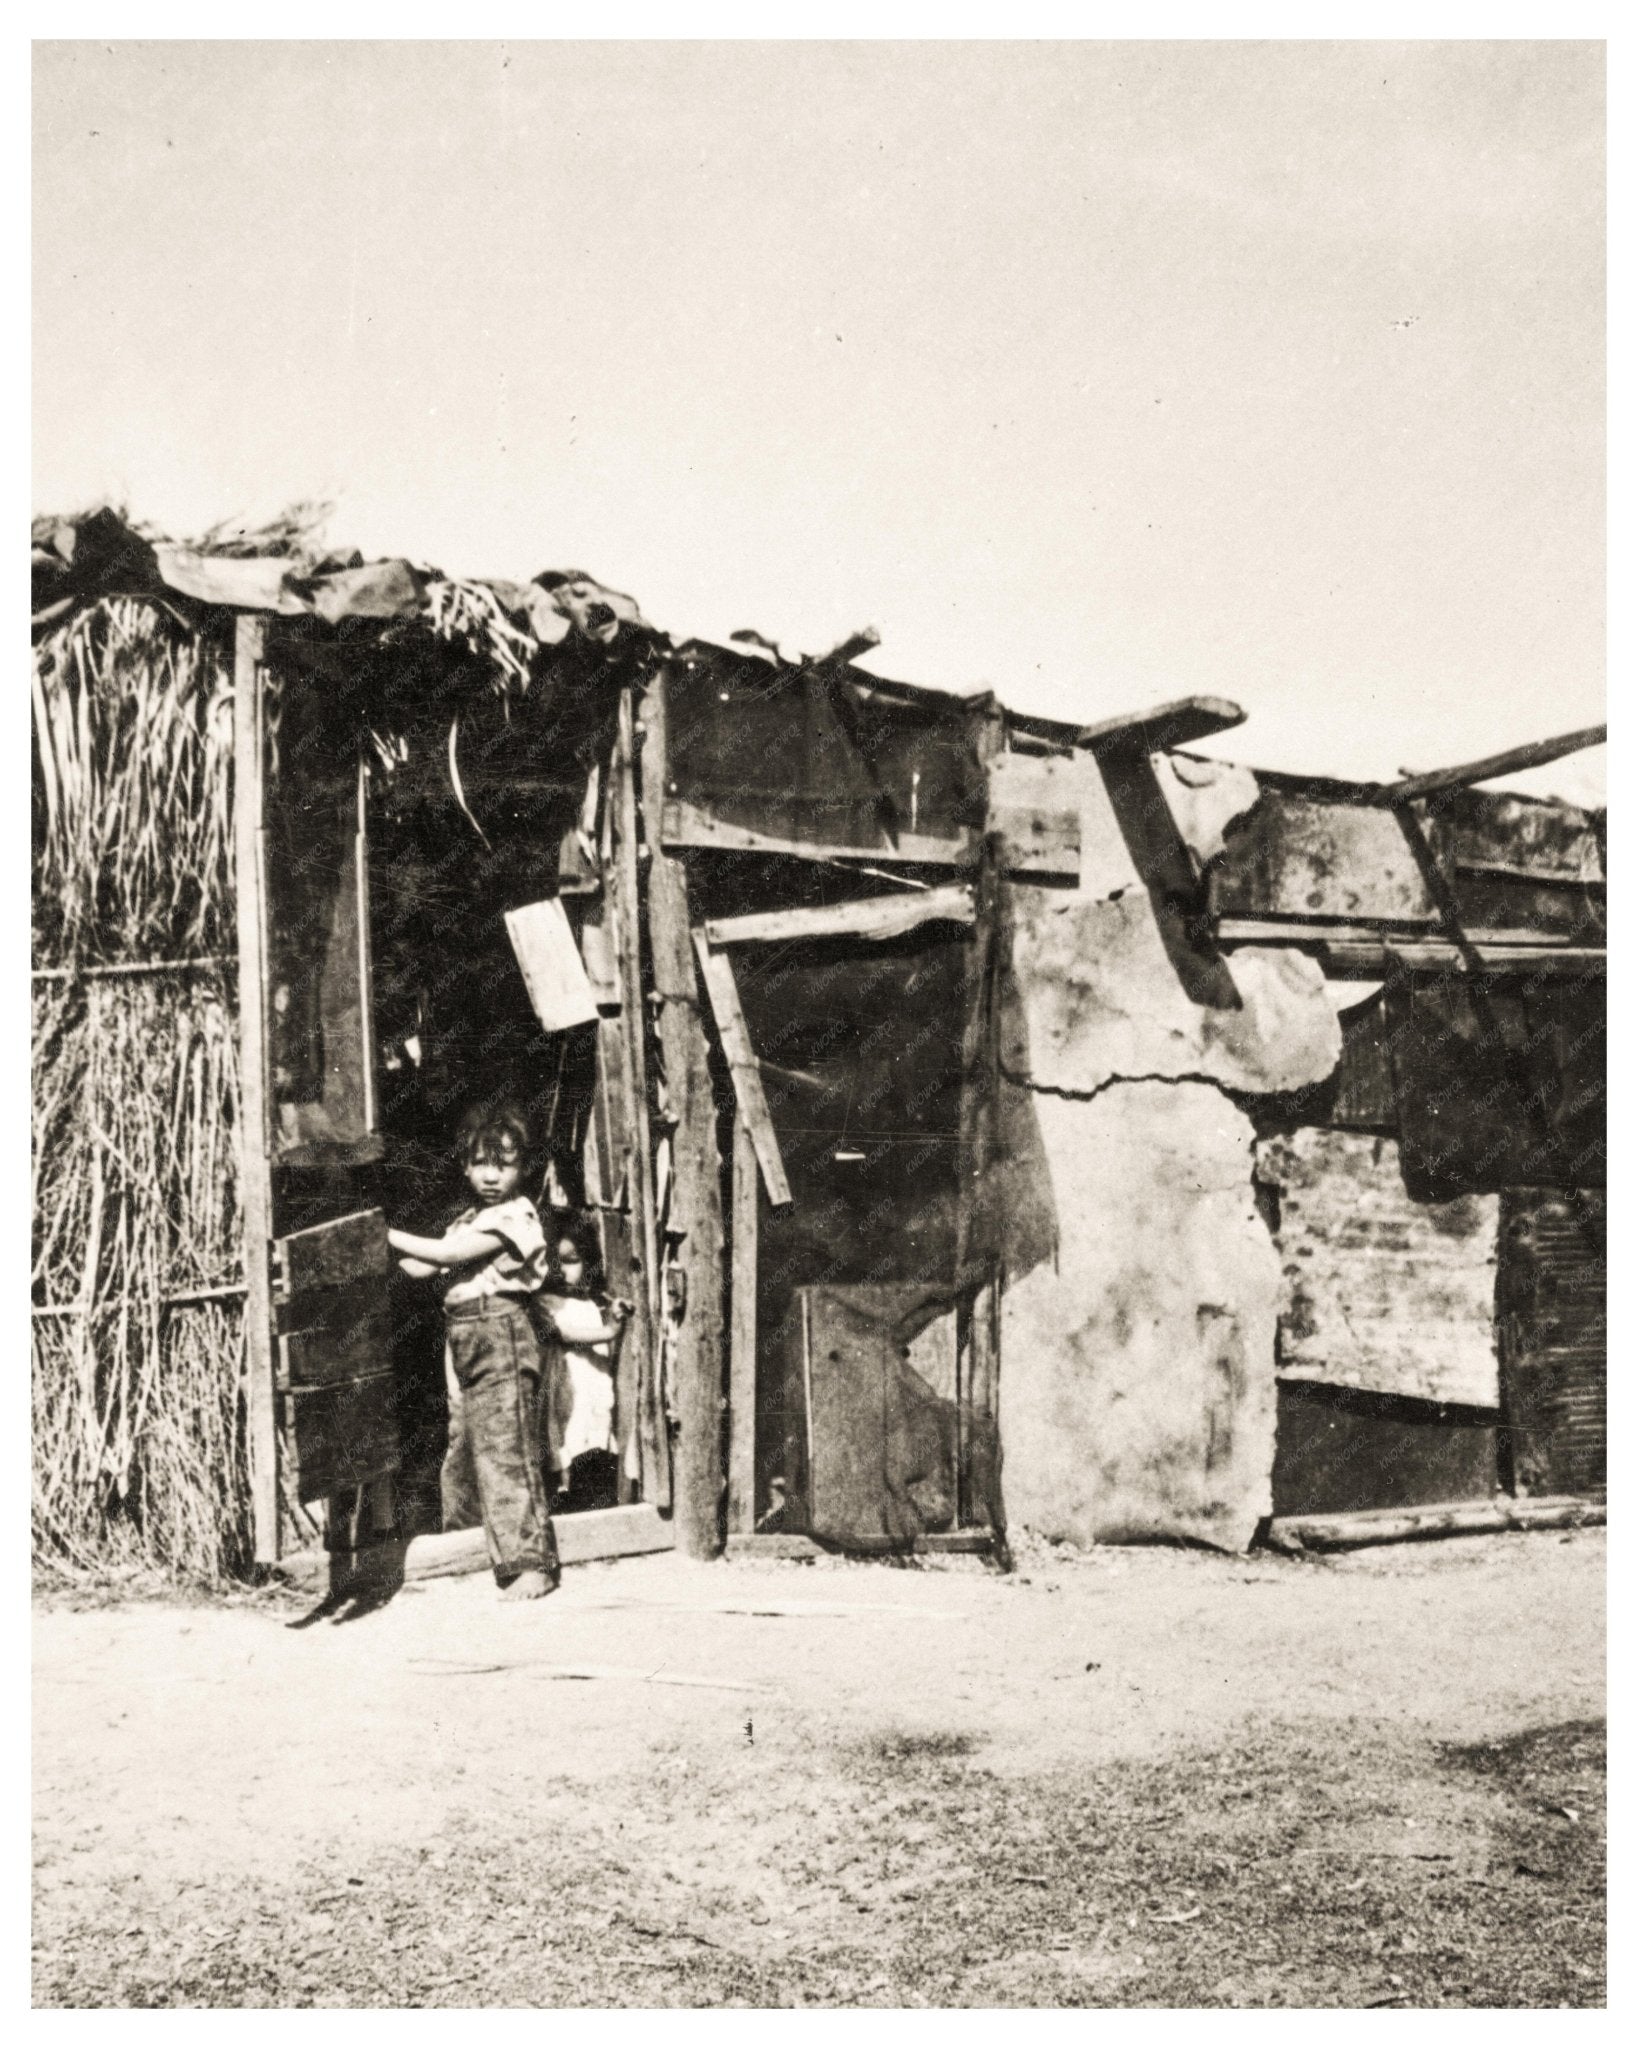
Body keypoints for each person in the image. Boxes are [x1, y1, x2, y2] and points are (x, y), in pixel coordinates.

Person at [386, 1103, 558, 1601]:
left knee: (507, 1446)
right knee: (463, 1446)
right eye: (481, 1163)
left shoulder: (514, 1214)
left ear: (522, 1169)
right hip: (463, 1333)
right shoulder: (470, 1219)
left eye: (503, 1164)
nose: (490, 1175)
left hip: (500, 1329)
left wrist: (387, 1231)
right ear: (464, 1165)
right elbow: (424, 1267)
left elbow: (444, 1256)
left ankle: (532, 1564)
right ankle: (468, 1547)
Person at [537, 1224, 632, 1513]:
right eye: (553, 1262)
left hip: (594, 1385)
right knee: (567, 1445)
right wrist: (610, 1330)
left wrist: (615, 1312)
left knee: (595, 1445)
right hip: (566, 1388)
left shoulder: (593, 1301)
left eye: (571, 1261)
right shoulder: (543, 1303)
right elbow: (563, 1333)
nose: (562, 1271)